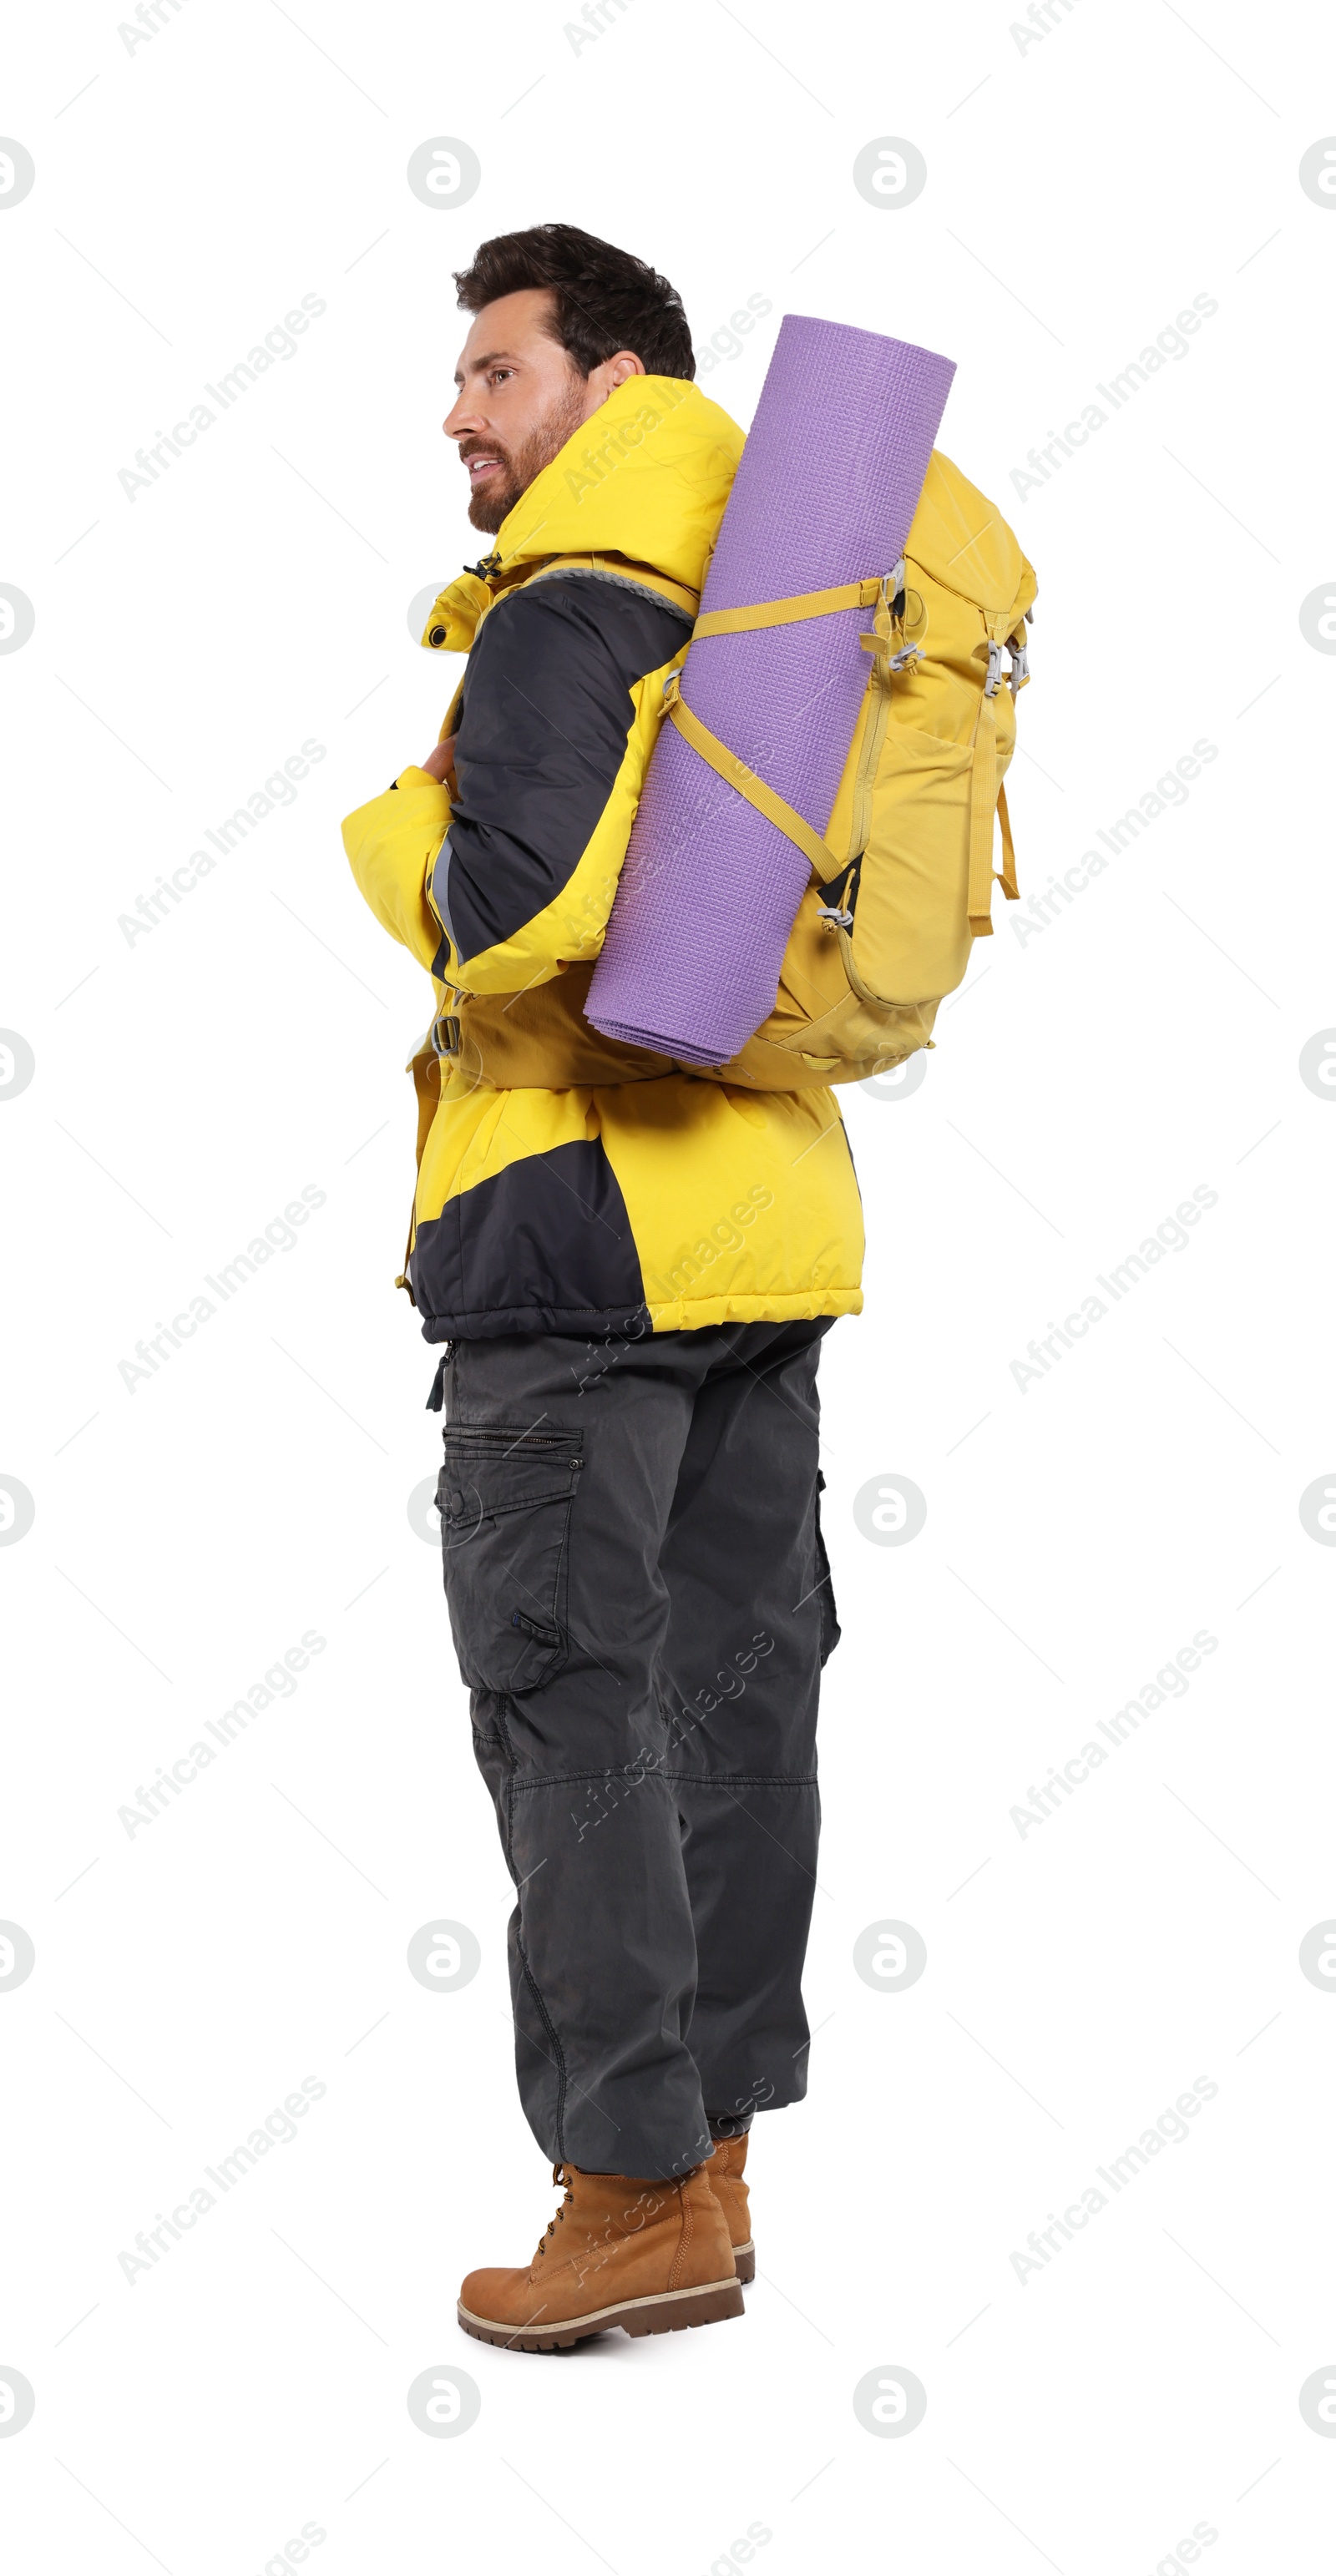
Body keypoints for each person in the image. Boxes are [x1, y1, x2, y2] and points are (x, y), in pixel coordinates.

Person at [342, 224, 864, 2351]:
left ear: (610, 385)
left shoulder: (567, 611)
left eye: (493, 372)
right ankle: (717, 2156)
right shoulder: (784, 617)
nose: (457, 413)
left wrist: (393, 826)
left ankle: (629, 2187)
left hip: (571, 1247)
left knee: (567, 1705)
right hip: (763, 1230)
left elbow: (509, 916)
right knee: (735, 1693)